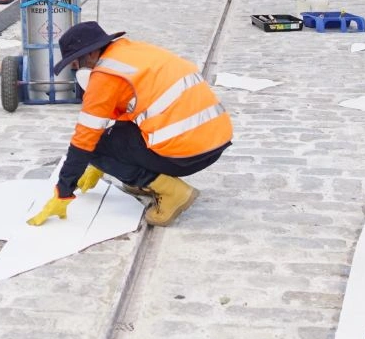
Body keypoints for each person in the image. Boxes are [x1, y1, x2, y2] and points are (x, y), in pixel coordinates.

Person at [26, 21, 232, 230]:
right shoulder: (132, 52)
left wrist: (64, 191)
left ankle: (173, 193)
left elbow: (84, 141)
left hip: (186, 155)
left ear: (90, 54)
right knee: (111, 137)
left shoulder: (105, 76)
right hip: (215, 140)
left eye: (75, 64)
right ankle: (146, 181)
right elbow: (128, 117)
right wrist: (97, 168)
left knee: (95, 147)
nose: (76, 70)